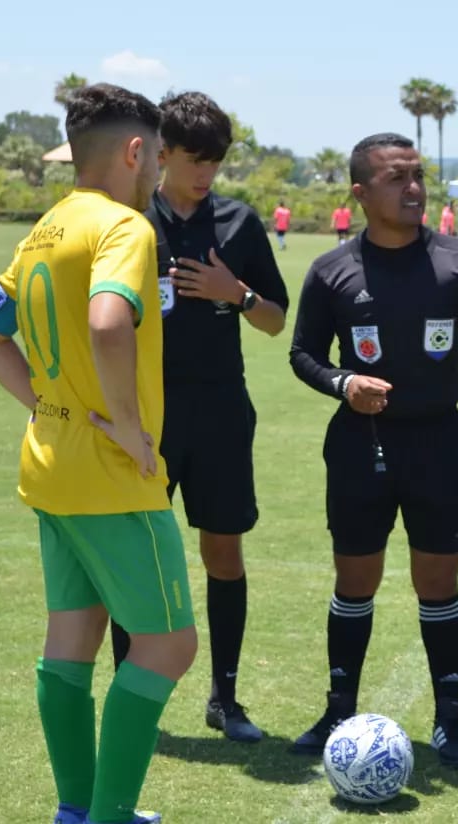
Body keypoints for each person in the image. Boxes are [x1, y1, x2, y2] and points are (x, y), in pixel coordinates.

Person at [287, 132, 458, 766]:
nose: (413, 188)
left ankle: (449, 718)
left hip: (438, 443)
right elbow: (302, 355)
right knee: (355, 581)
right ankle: (339, 707)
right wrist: (343, 382)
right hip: (358, 445)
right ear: (360, 192)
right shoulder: (331, 270)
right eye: (395, 178)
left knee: (438, 584)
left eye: (418, 176)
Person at [0, 83, 198, 824]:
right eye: (159, 158)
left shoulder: (43, 228)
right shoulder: (125, 227)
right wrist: (126, 425)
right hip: (114, 479)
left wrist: (50, 407)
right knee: (170, 647)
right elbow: (110, 322)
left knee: (70, 644)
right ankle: (109, 818)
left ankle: (77, 812)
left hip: (49, 467)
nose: (158, 177)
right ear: (137, 151)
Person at [106, 91, 289, 745]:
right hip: (144, 417)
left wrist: (234, 294)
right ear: (162, 151)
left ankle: (226, 700)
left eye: (216, 161)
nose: (206, 173)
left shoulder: (239, 223)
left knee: (224, 554)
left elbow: (275, 319)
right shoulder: (127, 219)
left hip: (219, 412)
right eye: (195, 159)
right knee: (136, 561)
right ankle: (133, 705)